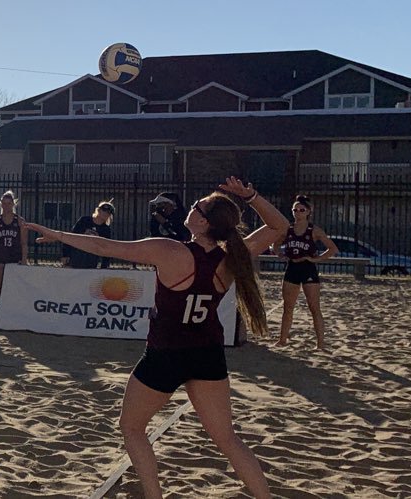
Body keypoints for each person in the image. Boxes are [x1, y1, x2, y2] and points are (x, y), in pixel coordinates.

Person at [23, 177, 284, 499]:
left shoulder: (170, 250)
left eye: (197, 206)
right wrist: (252, 196)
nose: (190, 208)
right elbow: (278, 226)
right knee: (227, 439)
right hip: (207, 354)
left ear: (203, 221)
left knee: (131, 428)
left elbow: (105, 247)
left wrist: (54, 234)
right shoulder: (232, 255)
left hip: (166, 355)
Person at [273, 195, 338, 349]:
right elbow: (275, 244)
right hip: (292, 268)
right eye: (295, 210)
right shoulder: (287, 229)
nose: (298, 213)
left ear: (309, 211)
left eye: (301, 210)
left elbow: (333, 248)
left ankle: (320, 343)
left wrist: (317, 259)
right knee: (288, 307)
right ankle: (282, 340)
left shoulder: (314, 230)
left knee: (314, 307)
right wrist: (279, 254)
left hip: (308, 268)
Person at [0, 190, 28, 311]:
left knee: (13, 287)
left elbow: (24, 242)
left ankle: (12, 311)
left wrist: (24, 259)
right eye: (4, 203)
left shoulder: (19, 221)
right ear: (1, 204)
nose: (6, 206)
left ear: (13, 204)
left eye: (9, 203)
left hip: (14, 256)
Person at [63, 200, 115, 269]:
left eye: (109, 213)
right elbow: (71, 237)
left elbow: (106, 247)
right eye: (104, 210)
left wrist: (104, 266)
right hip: (76, 256)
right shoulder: (84, 220)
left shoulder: (106, 229)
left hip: (91, 261)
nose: (106, 213)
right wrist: (65, 254)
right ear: (98, 210)